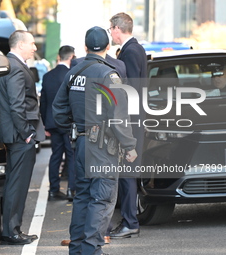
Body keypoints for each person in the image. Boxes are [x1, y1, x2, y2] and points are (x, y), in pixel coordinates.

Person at [53, 26, 137, 255]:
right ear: (108, 47)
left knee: (82, 197)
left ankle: (78, 248)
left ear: (85, 47)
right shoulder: (108, 75)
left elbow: (58, 111)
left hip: (80, 144)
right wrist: (129, 146)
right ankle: (91, 250)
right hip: (103, 148)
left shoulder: (73, 73)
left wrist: (77, 128)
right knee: (101, 199)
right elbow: (118, 117)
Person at [0, 30, 45, 245]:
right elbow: (17, 105)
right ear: (21, 44)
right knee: (17, 184)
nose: (35, 48)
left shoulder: (9, 64)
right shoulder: (15, 67)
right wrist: (27, 134)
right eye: (32, 43)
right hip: (19, 135)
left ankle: (11, 229)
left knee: (15, 183)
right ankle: (12, 231)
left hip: (15, 134)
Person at [108, 12, 147, 239]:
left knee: (127, 174)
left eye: (110, 29)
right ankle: (129, 219)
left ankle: (130, 221)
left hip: (130, 123)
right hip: (133, 121)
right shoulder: (135, 49)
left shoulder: (130, 52)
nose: (109, 33)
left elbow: (130, 92)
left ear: (116, 28)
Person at [40, 45, 76, 201]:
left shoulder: (48, 76)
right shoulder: (71, 75)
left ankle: (53, 190)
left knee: (56, 155)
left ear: (59, 56)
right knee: (71, 155)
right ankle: (71, 190)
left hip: (53, 123)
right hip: (68, 124)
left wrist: (45, 124)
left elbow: (43, 102)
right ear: (72, 57)